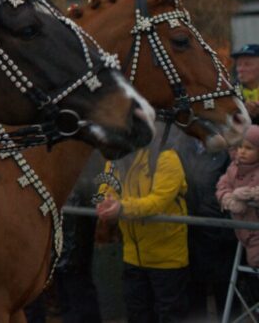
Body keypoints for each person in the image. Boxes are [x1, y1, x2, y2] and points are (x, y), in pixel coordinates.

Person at [95, 135, 189, 322]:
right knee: (136, 313)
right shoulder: (115, 158)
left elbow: (158, 201)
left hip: (167, 258)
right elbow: (106, 188)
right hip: (132, 256)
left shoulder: (166, 157)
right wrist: (106, 202)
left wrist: (122, 207)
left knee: (169, 314)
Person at [172, 127, 237, 319]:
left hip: (220, 233)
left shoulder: (228, 152)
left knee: (224, 291)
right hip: (190, 231)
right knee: (195, 291)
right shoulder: (179, 147)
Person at [217, 125, 259, 268]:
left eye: (249, 148)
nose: (242, 152)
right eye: (240, 147)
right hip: (242, 229)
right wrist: (228, 198)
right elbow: (222, 186)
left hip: (256, 227)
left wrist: (251, 194)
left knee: (255, 260)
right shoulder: (233, 168)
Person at [233, 44, 259, 122]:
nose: (240, 69)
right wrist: (242, 111)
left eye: (247, 64)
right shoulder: (230, 91)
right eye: (238, 65)